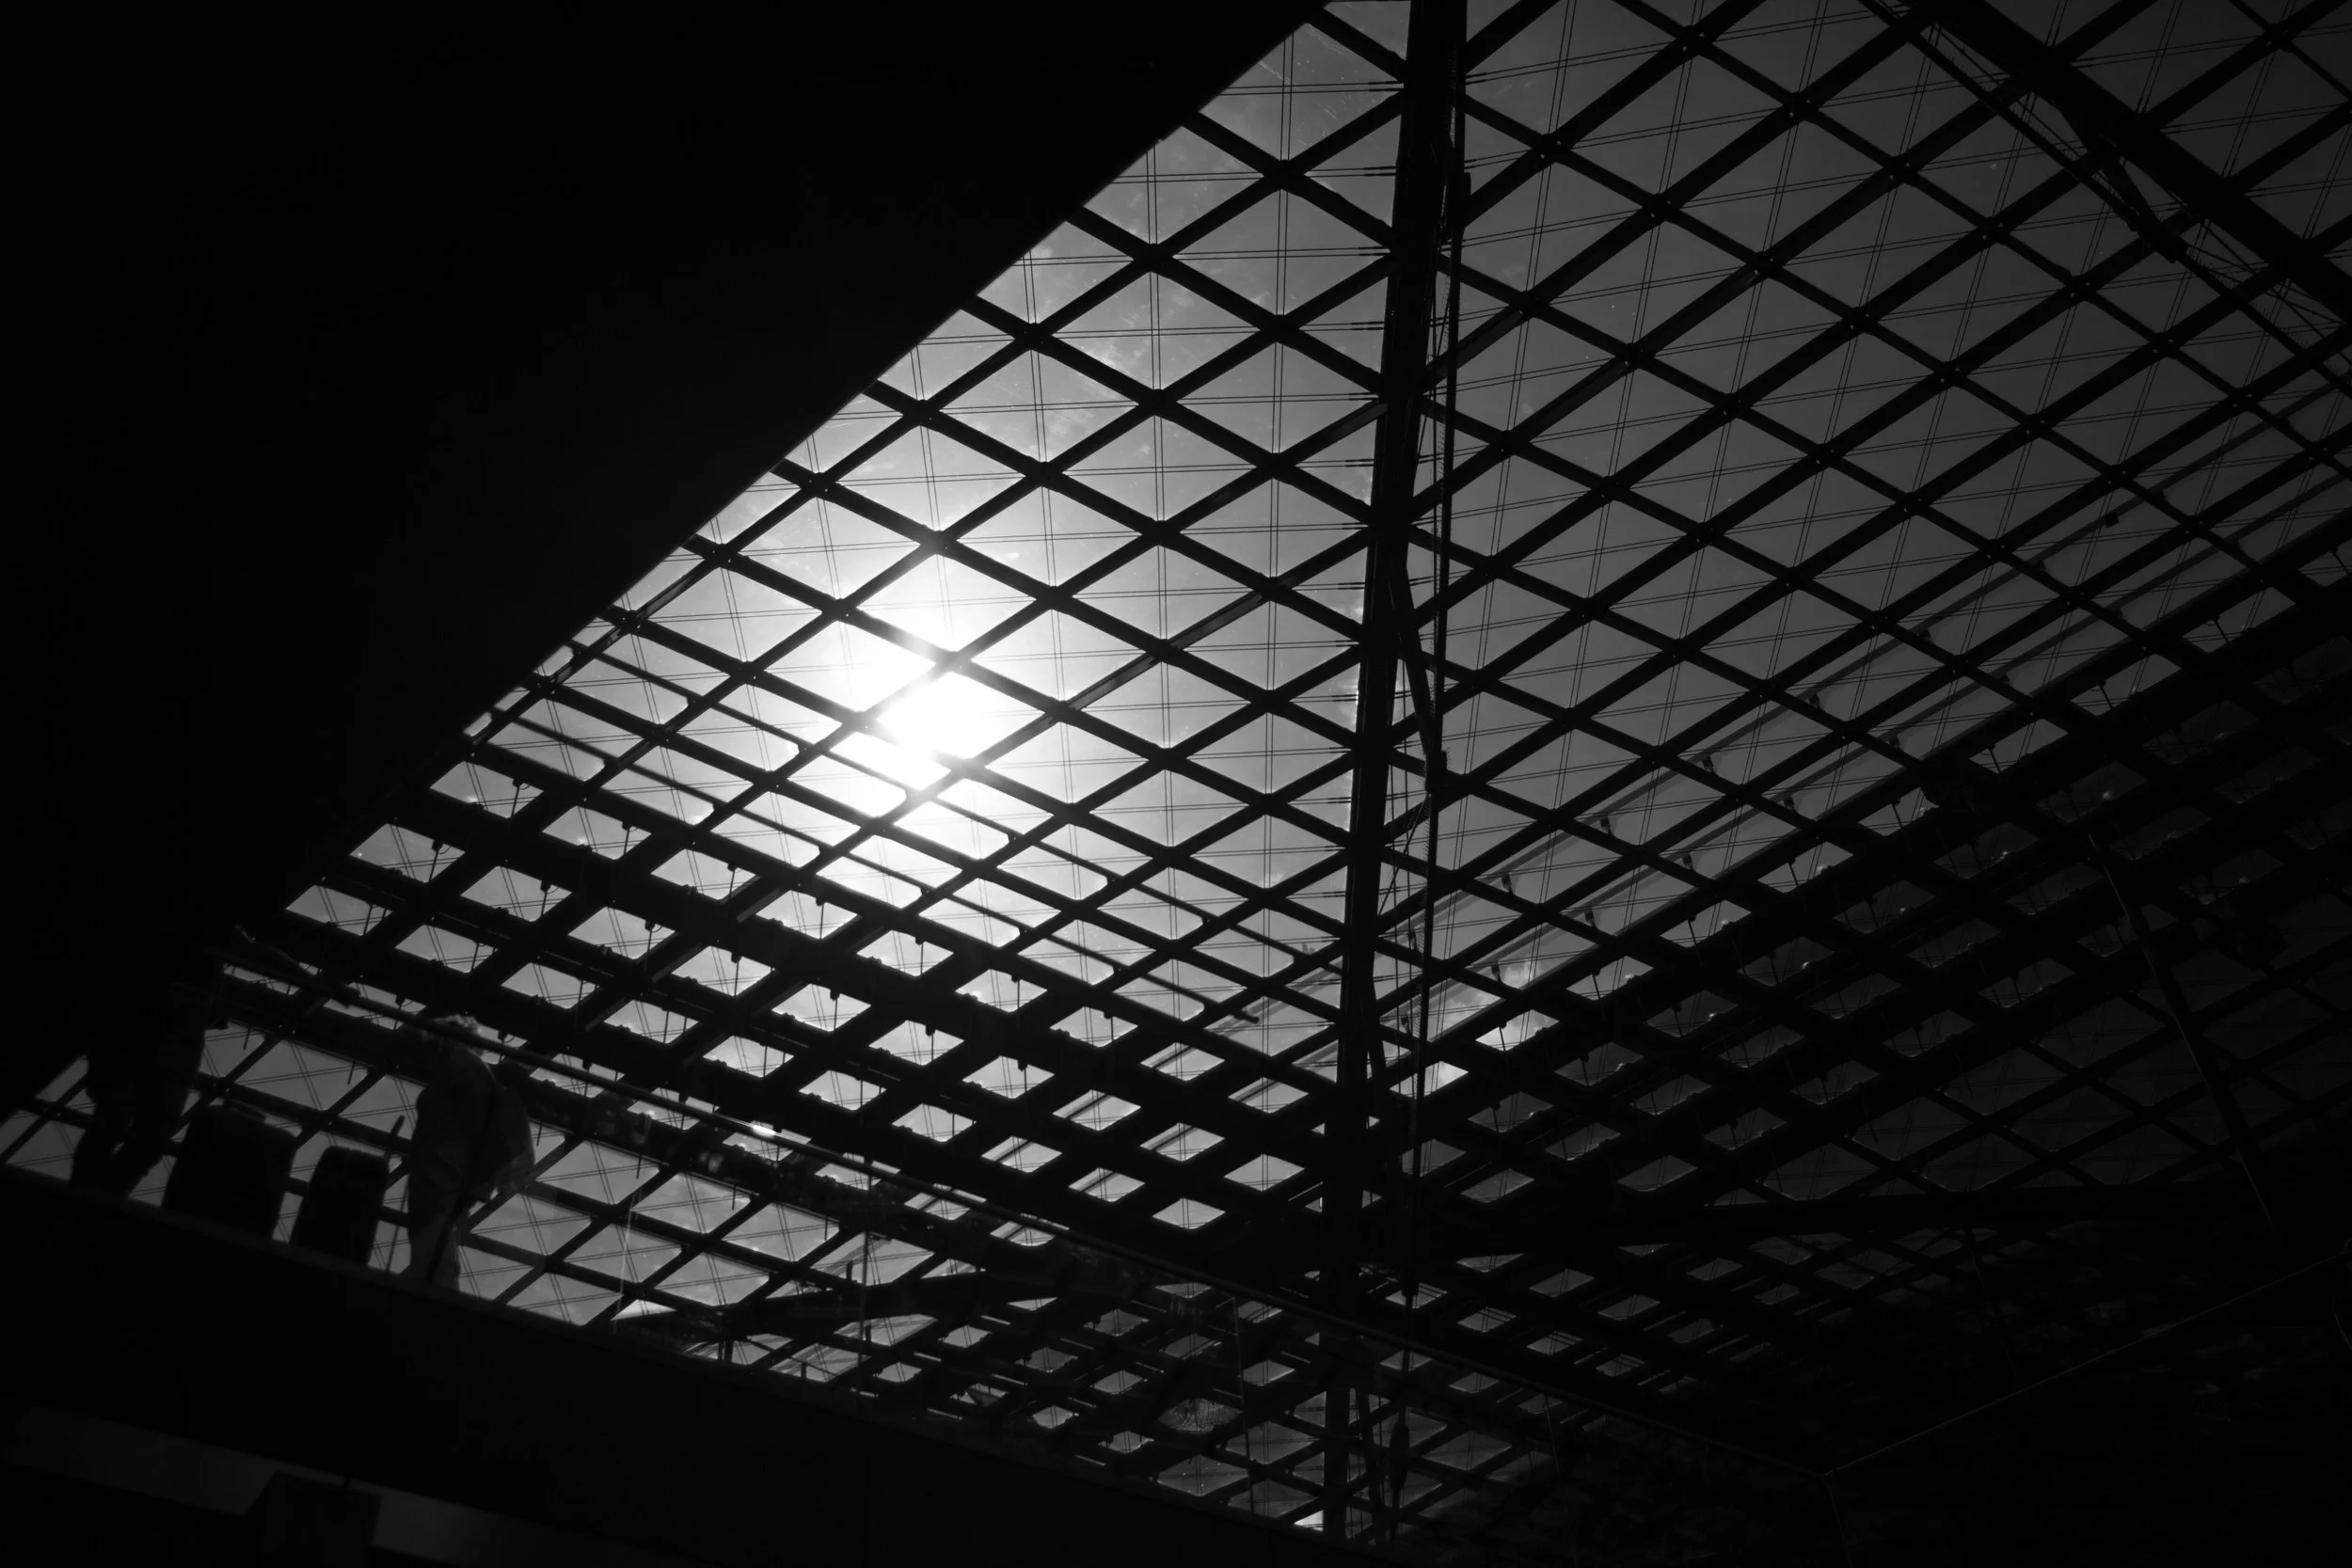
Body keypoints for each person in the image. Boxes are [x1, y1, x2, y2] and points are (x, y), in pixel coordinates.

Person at [401, 1016, 535, 1287]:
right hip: (451, 1161)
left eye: (438, 1037)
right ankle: (433, 1275)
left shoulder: (461, 1063)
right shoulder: (470, 1068)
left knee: (430, 1221)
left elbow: (475, 1119)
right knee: (435, 1225)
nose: (433, 1044)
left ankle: (431, 1276)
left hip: (444, 1157)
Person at [71, 954, 211, 1195]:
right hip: (170, 1025)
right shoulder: (188, 1003)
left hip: (136, 1022)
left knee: (112, 1119)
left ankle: (89, 1193)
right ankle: (106, 1195)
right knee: (146, 1134)